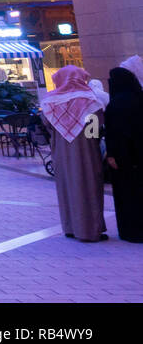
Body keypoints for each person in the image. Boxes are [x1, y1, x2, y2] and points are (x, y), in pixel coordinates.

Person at [40, 65, 107, 242]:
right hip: (87, 153)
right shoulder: (90, 100)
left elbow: (47, 125)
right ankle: (91, 230)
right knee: (89, 188)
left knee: (67, 187)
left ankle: (70, 228)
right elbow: (95, 129)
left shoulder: (50, 102)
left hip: (62, 153)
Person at [105, 66, 143, 243]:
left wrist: (111, 155)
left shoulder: (115, 104)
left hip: (123, 158)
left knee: (127, 194)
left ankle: (131, 231)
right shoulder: (139, 98)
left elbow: (112, 132)